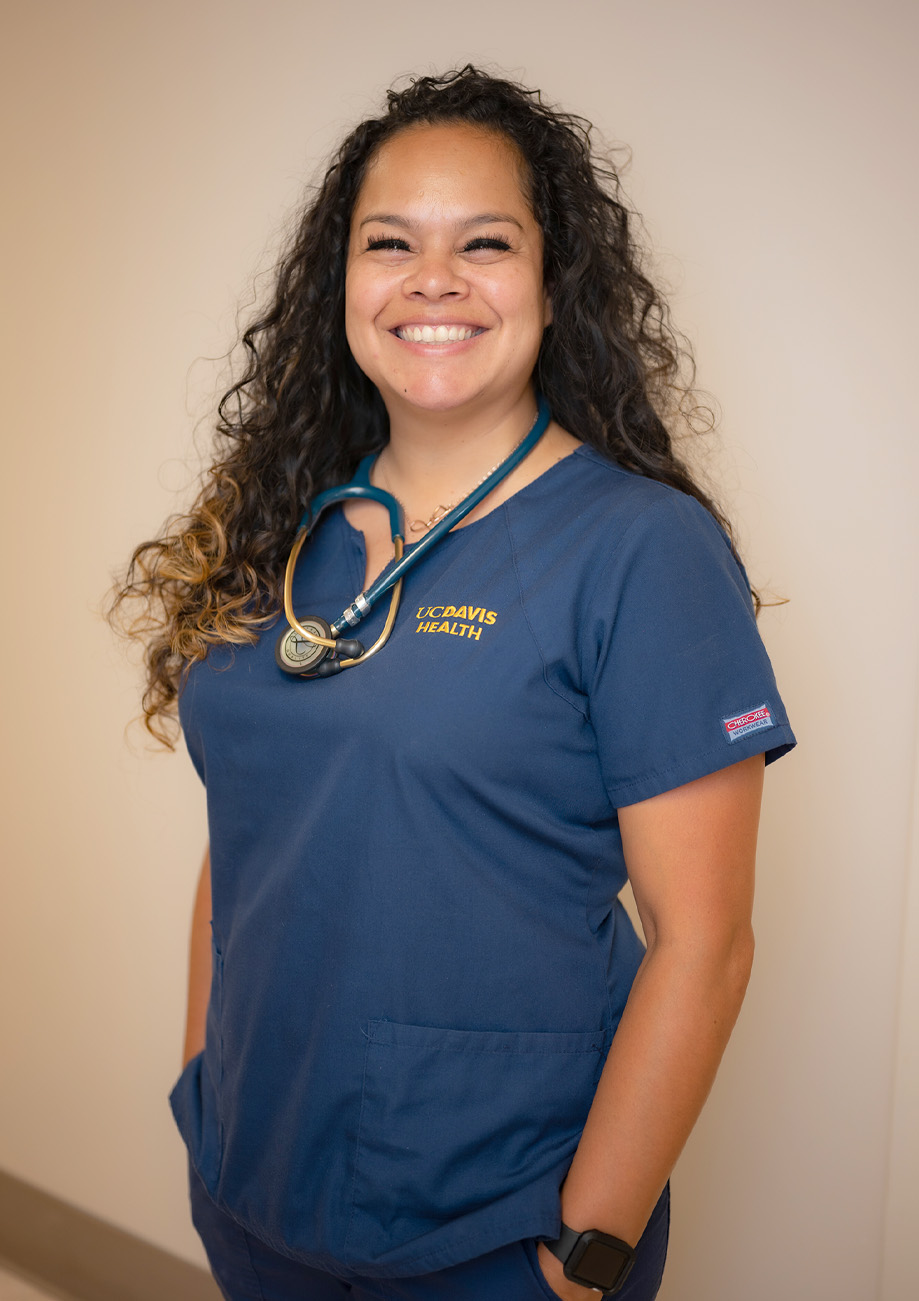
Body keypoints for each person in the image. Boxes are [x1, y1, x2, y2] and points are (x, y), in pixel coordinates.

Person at [113, 67, 795, 1301]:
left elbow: (706, 941)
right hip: (256, 1193)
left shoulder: (639, 550)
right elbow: (251, 831)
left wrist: (585, 1249)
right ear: (342, 284)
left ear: (551, 280)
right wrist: (206, 1087)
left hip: (494, 1232)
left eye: (484, 241)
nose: (433, 278)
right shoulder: (282, 527)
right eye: (391, 243)